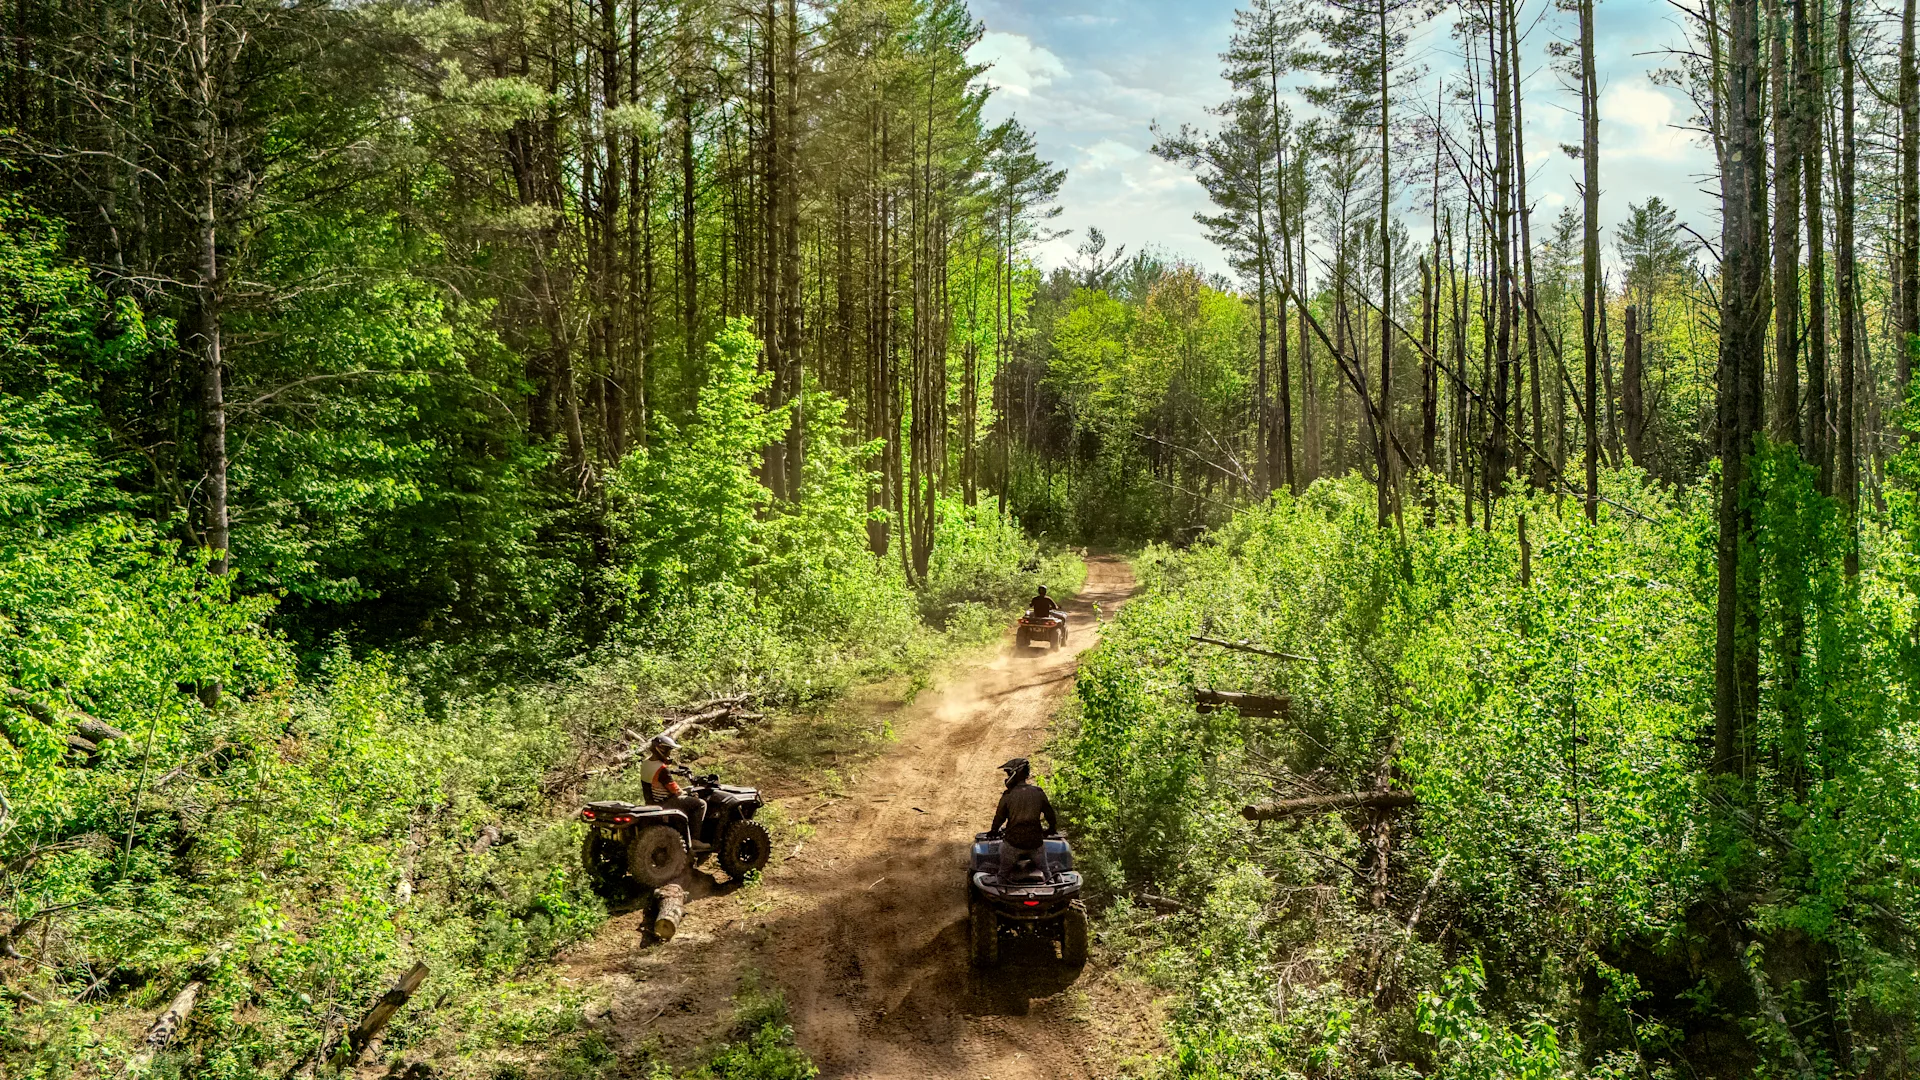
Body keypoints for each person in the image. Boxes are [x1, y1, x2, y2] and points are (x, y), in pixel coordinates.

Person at [990, 757, 1057, 881]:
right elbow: (1050, 814)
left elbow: (999, 818)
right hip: (1035, 843)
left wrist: (993, 831)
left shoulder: (1008, 795)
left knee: (1002, 875)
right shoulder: (1038, 792)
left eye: (1008, 773)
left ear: (1015, 773)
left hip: (1013, 844)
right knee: (1047, 873)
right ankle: (1050, 883)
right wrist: (1052, 829)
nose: (1007, 776)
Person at [642, 734, 710, 851]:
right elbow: (675, 790)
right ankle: (694, 840)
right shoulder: (662, 769)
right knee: (700, 804)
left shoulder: (646, 763)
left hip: (651, 801)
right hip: (665, 802)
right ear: (661, 749)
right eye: (668, 750)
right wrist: (687, 793)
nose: (669, 754)